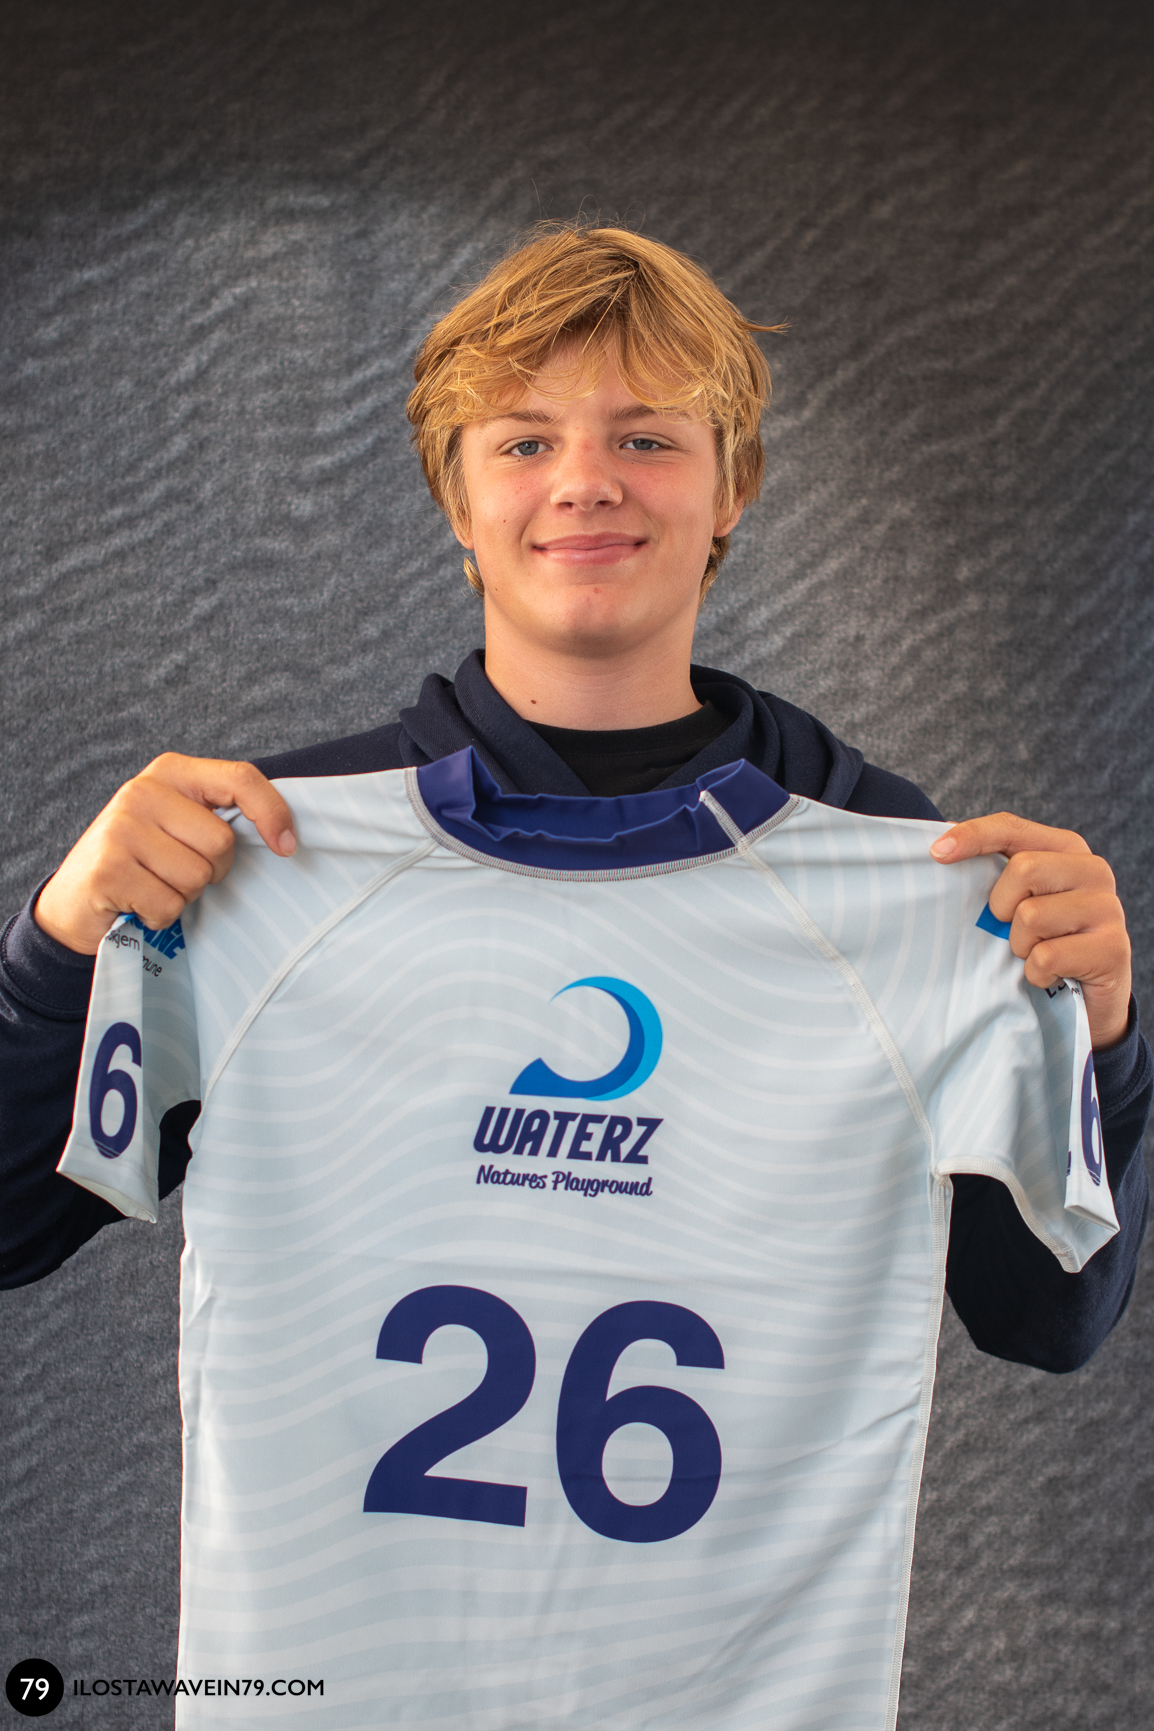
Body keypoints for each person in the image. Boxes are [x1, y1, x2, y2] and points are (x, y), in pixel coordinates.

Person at [0, 226, 1149, 1727]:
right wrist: (59, 946)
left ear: (734, 485)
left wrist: (1099, 1040)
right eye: (525, 439)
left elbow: (1048, 1319)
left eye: (648, 438)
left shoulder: (906, 877)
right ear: (456, 498)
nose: (587, 481)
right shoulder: (270, 856)